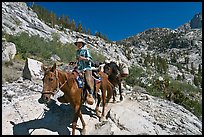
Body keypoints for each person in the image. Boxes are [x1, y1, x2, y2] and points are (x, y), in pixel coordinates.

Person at [74, 38, 95, 105]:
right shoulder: (77, 52)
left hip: (86, 68)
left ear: (82, 44)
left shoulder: (86, 50)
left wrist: (83, 58)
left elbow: (90, 59)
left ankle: (91, 94)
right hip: (79, 68)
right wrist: (75, 63)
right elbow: (78, 61)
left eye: (80, 43)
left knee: (88, 79)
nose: (78, 45)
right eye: (77, 44)